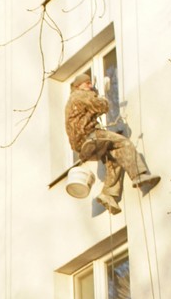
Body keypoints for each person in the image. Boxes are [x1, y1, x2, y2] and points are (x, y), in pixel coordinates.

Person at [62, 73, 150, 213]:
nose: (90, 86)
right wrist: (101, 95)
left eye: (90, 83)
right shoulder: (80, 95)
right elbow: (102, 106)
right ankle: (139, 175)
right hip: (89, 137)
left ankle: (109, 195)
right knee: (124, 143)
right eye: (87, 83)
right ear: (78, 85)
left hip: (82, 146)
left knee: (114, 158)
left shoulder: (72, 100)